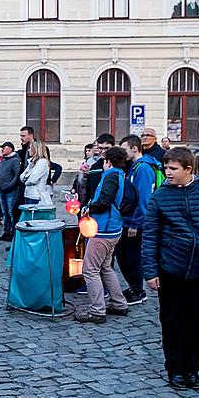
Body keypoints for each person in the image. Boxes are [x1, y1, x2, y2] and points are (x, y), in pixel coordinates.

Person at [142, 147, 199, 390]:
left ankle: (192, 370)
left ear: (188, 169)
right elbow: (150, 236)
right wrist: (150, 271)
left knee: (196, 322)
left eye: (173, 169)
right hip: (171, 268)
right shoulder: (160, 196)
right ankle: (175, 370)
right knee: (172, 322)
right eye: (166, 168)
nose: (167, 173)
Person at [74, 147, 130, 323]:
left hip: (103, 229)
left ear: (108, 161)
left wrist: (88, 208)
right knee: (105, 267)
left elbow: (104, 201)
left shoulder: (111, 175)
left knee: (90, 269)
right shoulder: (120, 174)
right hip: (113, 228)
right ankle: (119, 304)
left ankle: (97, 311)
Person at [116, 135, 159, 305]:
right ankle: (134, 287)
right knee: (123, 255)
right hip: (127, 219)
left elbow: (143, 199)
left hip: (135, 222)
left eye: (124, 149)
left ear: (134, 149)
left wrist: (135, 223)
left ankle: (138, 290)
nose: (122, 153)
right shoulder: (133, 167)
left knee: (132, 257)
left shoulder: (143, 169)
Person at [0, 142, 20, 242]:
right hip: (1, 190)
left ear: (10, 149)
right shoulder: (3, 160)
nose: (2, 150)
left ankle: (13, 232)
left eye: (4, 148)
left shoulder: (15, 161)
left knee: (11, 212)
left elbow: (16, 176)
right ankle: (6, 231)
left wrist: (9, 186)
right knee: (5, 213)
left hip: (10, 191)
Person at [83, 134, 115, 204]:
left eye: (107, 148)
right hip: (96, 208)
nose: (103, 151)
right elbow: (89, 191)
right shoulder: (94, 167)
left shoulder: (121, 165)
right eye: (100, 148)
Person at [19, 140, 52, 207]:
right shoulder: (31, 162)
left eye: (30, 148)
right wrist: (27, 177)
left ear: (35, 149)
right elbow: (22, 177)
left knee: (33, 216)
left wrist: (26, 179)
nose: (28, 150)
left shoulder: (42, 162)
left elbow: (33, 179)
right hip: (28, 194)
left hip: (37, 195)